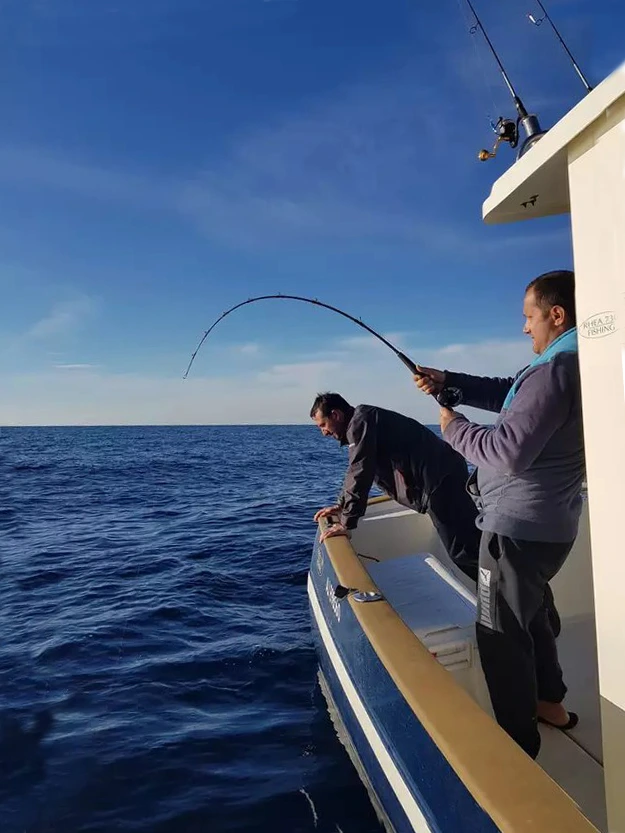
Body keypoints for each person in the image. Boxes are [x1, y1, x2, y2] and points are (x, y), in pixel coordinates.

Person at [414, 269, 584, 759]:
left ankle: (517, 749)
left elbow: (507, 451)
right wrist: (450, 383)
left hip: (514, 533)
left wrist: (453, 426)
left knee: (498, 633)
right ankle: (549, 703)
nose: (524, 328)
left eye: (529, 317)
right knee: (527, 618)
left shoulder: (555, 371)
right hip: (547, 528)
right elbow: (512, 392)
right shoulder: (570, 365)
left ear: (556, 315)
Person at [310, 392, 481, 583]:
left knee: (463, 551)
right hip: (444, 475)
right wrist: (342, 505)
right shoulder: (363, 421)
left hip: (439, 481)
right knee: (472, 541)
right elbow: (356, 469)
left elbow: (361, 471)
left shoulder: (362, 422)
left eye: (323, 425)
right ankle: (508, 586)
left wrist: (347, 523)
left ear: (336, 415)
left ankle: (505, 598)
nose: (323, 432)